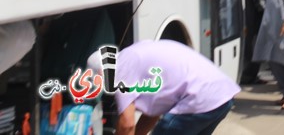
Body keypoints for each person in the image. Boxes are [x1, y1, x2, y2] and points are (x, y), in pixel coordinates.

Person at [88, 40, 239, 135]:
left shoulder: (120, 70)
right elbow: (152, 114)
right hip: (222, 96)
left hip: (201, 99)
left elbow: (127, 125)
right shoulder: (131, 56)